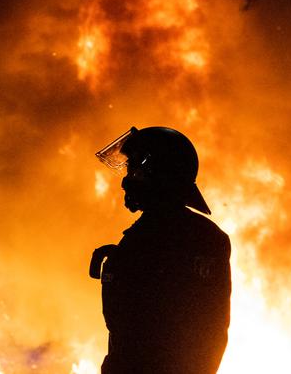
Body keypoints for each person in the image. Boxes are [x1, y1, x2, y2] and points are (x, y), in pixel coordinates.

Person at [91, 126, 231, 374]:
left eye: (135, 170)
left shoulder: (198, 241)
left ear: (161, 175)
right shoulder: (140, 240)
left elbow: (202, 333)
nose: (125, 181)